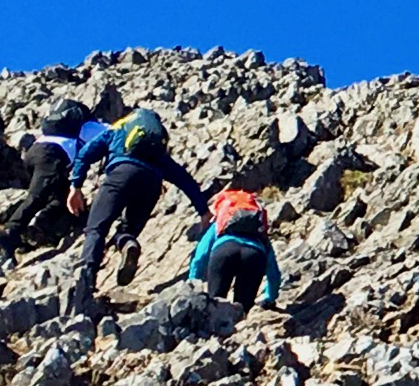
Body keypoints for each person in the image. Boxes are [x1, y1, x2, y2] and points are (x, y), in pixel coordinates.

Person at [63, 104, 217, 324]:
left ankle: (85, 284)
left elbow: (86, 153)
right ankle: (126, 242)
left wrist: (75, 186)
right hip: (151, 183)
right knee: (128, 229)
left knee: (96, 228)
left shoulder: (119, 128)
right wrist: (203, 210)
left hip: (120, 175)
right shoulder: (157, 148)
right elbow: (183, 178)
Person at [0, 97, 102, 255]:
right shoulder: (91, 127)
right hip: (51, 155)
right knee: (38, 196)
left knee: (64, 197)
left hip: (35, 152)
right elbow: (114, 134)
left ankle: (41, 228)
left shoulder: (64, 127)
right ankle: (9, 233)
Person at [187, 189, 290, 318]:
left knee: (215, 305)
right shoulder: (259, 230)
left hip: (224, 250)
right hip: (254, 255)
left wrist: (191, 286)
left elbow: (200, 258)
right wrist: (270, 298)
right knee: (241, 311)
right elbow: (273, 273)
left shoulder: (221, 223)